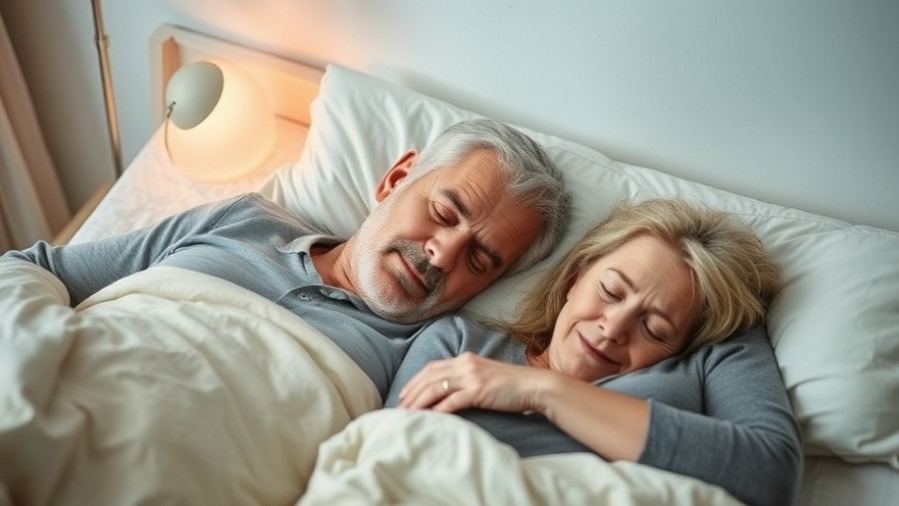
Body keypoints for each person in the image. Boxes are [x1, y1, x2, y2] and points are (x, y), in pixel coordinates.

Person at [0, 118, 571, 400]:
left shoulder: (431, 354)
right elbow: (36, 269)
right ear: (396, 178)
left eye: (481, 258)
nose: (443, 254)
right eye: (445, 214)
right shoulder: (245, 220)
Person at [386, 198, 802, 506]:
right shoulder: (460, 344)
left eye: (654, 328)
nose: (614, 328)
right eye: (610, 291)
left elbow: (770, 473)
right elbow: (388, 453)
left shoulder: (707, 354)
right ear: (576, 277)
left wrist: (544, 391)